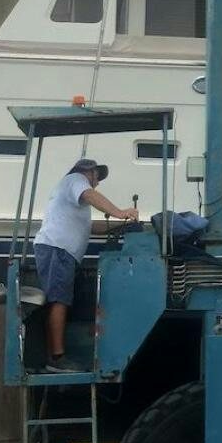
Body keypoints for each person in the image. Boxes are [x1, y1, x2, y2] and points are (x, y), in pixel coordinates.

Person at [33, 157, 137, 372]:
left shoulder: (73, 195)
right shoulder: (76, 179)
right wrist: (120, 211)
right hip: (58, 249)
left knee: (60, 299)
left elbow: (91, 227)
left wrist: (119, 225)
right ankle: (57, 359)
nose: (97, 182)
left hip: (61, 251)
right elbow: (90, 195)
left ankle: (56, 355)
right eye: (97, 177)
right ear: (88, 171)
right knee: (59, 300)